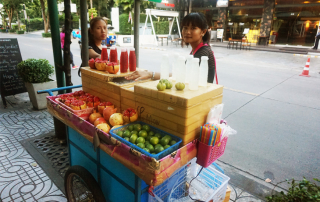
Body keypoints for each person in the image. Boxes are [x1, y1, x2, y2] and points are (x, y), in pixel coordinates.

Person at [125, 12, 216, 83]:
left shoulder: (203, 52)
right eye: (185, 27)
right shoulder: (198, 50)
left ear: (203, 32)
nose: (187, 32)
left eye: (193, 28)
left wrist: (150, 74)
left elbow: (179, 76)